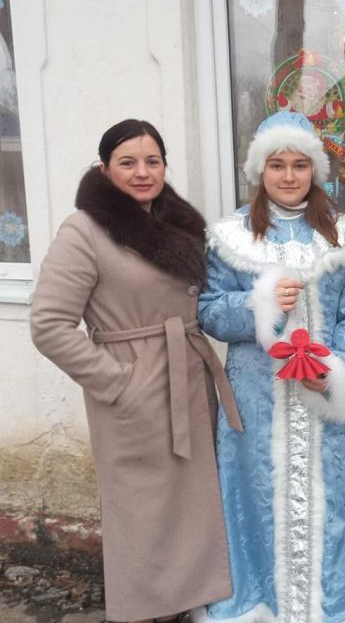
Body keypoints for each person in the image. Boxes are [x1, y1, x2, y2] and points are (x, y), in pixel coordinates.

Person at [194, 110, 345, 622]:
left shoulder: (343, 234)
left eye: (299, 164)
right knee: (259, 500)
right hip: (256, 405)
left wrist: (339, 374)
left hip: (324, 405)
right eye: (277, 165)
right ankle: (262, 605)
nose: (288, 176)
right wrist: (258, 304)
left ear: (315, 169)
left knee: (335, 506)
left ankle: (341, 608)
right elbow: (209, 310)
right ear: (260, 170)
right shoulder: (230, 236)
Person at [30, 119, 243, 623]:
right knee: (144, 514)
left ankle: (179, 608)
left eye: (153, 161)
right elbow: (48, 324)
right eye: (128, 162)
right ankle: (142, 612)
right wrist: (119, 383)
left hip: (188, 379)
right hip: (135, 391)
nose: (142, 172)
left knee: (186, 508)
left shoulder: (176, 224)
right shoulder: (84, 231)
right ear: (104, 169)